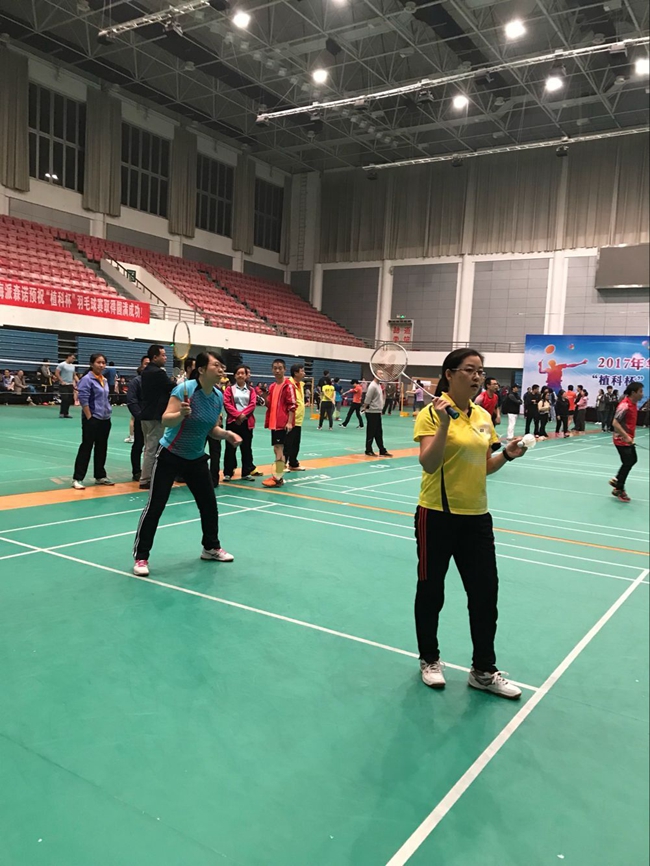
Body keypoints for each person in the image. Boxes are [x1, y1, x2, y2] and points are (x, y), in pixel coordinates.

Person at [414, 348, 528, 699]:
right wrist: (444, 424)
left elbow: (484, 466)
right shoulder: (430, 414)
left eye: (481, 371)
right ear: (449, 374)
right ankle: (429, 659)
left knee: (485, 594)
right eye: (470, 369)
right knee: (431, 591)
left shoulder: (482, 415)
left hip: (477, 517)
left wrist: (507, 454)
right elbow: (429, 464)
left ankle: (483, 670)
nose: (478, 376)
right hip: (436, 515)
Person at [132, 352, 241, 576]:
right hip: (170, 455)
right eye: (216, 365)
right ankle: (141, 557)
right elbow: (166, 419)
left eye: (222, 366)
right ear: (201, 369)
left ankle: (210, 547)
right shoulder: (185, 390)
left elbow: (211, 429)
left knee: (209, 505)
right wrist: (180, 414)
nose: (221, 370)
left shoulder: (218, 396)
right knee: (155, 506)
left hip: (195, 457)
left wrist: (227, 434)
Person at [71, 354, 114, 489]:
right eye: (98, 362)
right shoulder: (86, 379)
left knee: (102, 447)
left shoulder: (104, 380)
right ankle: (77, 478)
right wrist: (90, 417)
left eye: (103, 363)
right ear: (91, 364)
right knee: (86, 447)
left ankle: (100, 476)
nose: (101, 365)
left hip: (105, 419)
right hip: (92, 419)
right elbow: (83, 400)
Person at [139, 345, 173, 490]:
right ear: (155, 357)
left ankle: (148, 475)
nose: (165, 358)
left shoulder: (146, 371)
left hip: (145, 415)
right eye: (163, 355)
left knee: (148, 448)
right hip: (155, 416)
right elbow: (171, 386)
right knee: (152, 449)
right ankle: (146, 479)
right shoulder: (158, 372)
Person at [262, 358, 296, 488]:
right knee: (277, 449)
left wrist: (289, 422)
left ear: (284, 370)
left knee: (279, 449)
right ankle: (278, 476)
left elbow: (292, 405)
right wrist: (264, 398)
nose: (277, 370)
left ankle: (277, 478)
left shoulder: (288, 386)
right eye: (275, 368)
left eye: (280, 368)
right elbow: (270, 404)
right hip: (273, 423)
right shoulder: (272, 386)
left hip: (282, 423)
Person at [609, 382, 644, 503]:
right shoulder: (624, 405)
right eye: (640, 391)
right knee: (629, 461)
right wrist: (626, 436)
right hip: (621, 439)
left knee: (632, 460)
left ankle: (617, 479)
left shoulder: (634, 404)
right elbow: (615, 423)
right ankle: (619, 488)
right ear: (633, 393)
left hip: (627, 438)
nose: (642, 394)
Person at [223, 365, 258, 481]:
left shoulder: (251, 390)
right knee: (230, 448)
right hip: (233, 422)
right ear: (234, 375)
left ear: (246, 376)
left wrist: (243, 415)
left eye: (243, 373)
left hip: (247, 423)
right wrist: (238, 415)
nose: (240, 375)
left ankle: (246, 473)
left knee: (246, 448)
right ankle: (228, 473)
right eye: (238, 373)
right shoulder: (229, 389)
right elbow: (227, 404)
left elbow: (252, 404)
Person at [126, 357, 149, 482]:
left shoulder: (156, 381)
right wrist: (139, 416)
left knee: (154, 447)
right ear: (141, 365)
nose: (148, 366)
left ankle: (150, 471)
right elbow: (131, 401)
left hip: (154, 420)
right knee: (138, 445)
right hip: (141, 419)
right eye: (146, 364)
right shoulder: (136, 382)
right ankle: (136, 471)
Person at [363, 376, 392, 457]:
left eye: (382, 374)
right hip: (372, 412)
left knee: (378, 432)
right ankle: (368, 450)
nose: (382, 375)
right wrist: (365, 407)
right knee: (371, 432)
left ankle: (382, 450)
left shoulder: (379, 385)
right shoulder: (372, 386)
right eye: (380, 373)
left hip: (377, 411)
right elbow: (368, 398)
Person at [285, 363, 306, 471]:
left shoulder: (301, 384)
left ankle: (293, 463)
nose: (304, 373)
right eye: (302, 371)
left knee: (295, 444)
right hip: (290, 419)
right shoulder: (288, 384)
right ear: (295, 373)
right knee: (287, 443)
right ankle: (282, 464)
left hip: (298, 419)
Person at [55, 353, 77, 419]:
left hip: (70, 384)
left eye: (74, 358)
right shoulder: (62, 364)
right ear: (68, 357)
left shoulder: (73, 366)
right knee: (65, 398)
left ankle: (66, 413)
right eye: (72, 358)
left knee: (69, 399)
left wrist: (77, 382)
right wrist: (61, 381)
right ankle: (62, 413)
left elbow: (74, 375)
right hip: (63, 385)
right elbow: (57, 373)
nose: (73, 359)